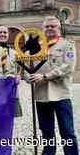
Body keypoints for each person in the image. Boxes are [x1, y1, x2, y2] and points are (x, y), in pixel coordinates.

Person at [28, 16, 78, 155]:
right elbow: (28, 67)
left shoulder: (67, 45)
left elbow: (68, 67)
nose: (49, 28)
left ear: (59, 28)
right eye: (47, 26)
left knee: (67, 132)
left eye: (53, 26)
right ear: (42, 29)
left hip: (61, 95)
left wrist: (44, 76)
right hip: (42, 96)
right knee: (46, 133)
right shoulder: (35, 47)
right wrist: (28, 77)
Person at [0, 25, 22, 117]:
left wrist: (19, 76)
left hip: (10, 92)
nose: (2, 34)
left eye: (5, 32)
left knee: (9, 122)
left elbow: (20, 69)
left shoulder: (15, 53)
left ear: (8, 35)